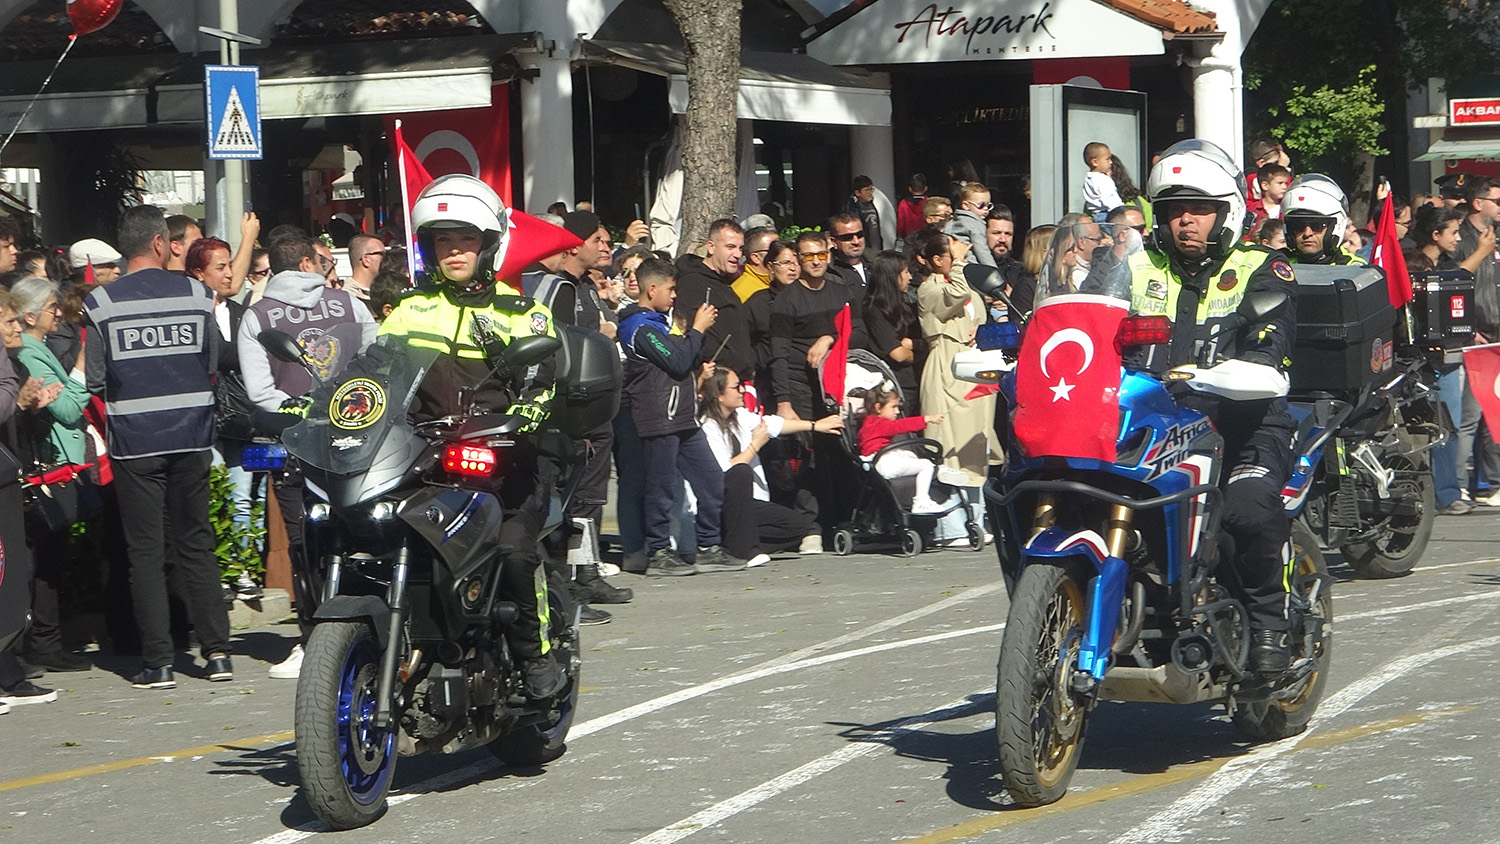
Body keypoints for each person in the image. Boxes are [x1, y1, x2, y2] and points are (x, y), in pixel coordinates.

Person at [379, 174, 569, 697]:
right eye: (443, 240)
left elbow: (543, 379)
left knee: (512, 550)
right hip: (427, 460)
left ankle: (536, 653)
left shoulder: (521, 312)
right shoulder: (411, 310)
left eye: (465, 239)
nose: (454, 250)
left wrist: (528, 409)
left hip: (507, 466)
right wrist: (323, 404)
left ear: (488, 245)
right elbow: (370, 373)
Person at [1124, 139, 1301, 678]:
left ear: (1227, 211)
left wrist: (1255, 363)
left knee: (1246, 507)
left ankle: (1270, 622)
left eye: (1199, 209)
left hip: (1243, 421)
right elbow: (1088, 317)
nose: (1186, 222)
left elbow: (1272, 337)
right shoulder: (1134, 266)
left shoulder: (1262, 267)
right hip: (1159, 423)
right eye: (1176, 210)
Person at [83, 205, 232, 690]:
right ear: (158, 243)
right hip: (192, 435)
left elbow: (98, 378)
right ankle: (217, 653)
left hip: (134, 439)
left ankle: (159, 663)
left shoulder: (101, 303)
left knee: (145, 551)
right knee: (197, 542)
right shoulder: (197, 293)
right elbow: (211, 361)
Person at [617, 257, 746, 576]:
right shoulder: (638, 326)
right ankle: (659, 551)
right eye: (671, 290)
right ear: (651, 289)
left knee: (712, 479)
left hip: (683, 416)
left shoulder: (662, 322)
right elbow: (675, 361)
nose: (675, 296)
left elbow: (684, 359)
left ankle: (709, 545)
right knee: (660, 488)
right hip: (658, 417)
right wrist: (698, 330)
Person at [10, 277, 94, 673]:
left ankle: (45, 642)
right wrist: (79, 367)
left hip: (57, 464)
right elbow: (67, 409)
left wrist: (67, 392)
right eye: (51, 308)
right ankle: (40, 645)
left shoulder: (37, 346)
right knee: (42, 562)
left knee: (50, 560)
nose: (59, 313)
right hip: (48, 467)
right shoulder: (28, 350)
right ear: (29, 316)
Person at [698, 368, 832, 566]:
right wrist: (755, 445)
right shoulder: (708, 427)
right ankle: (742, 548)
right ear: (719, 396)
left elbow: (772, 425)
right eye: (736, 387)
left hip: (755, 502)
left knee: (798, 526)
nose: (742, 390)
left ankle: (736, 543)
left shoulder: (740, 416)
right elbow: (727, 471)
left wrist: (814, 425)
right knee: (741, 472)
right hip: (728, 503)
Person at [674, 219, 753, 381]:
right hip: (715, 381)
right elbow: (690, 332)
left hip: (736, 380)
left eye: (740, 248)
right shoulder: (692, 283)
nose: (738, 254)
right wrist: (735, 364)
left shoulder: (723, 281)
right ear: (711, 247)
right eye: (730, 247)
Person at [859, 385, 945, 514]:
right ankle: (921, 501)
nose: (897, 411)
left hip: (883, 459)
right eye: (893, 407)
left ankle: (937, 470)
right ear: (878, 408)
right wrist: (927, 418)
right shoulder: (877, 424)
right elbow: (901, 426)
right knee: (925, 465)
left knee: (910, 455)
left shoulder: (870, 423)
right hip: (884, 462)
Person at [863, 251, 921, 413]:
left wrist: (914, 344)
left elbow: (910, 343)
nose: (910, 277)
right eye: (905, 272)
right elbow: (898, 353)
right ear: (892, 276)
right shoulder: (874, 310)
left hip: (915, 381)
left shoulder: (905, 306)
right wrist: (923, 354)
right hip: (897, 385)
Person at [1283, 174, 1362, 265]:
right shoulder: (1277, 264)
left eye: (1317, 225)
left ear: (1335, 228)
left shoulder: (1354, 268)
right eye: (1298, 225)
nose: (1307, 233)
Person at [945, 183, 996, 268]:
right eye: (981, 205)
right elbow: (982, 251)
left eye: (988, 205)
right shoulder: (975, 224)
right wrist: (994, 272)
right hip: (970, 265)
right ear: (965, 205)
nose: (986, 209)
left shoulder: (955, 220)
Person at [733, 226, 777, 303]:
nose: (781, 254)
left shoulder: (782, 282)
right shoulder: (741, 293)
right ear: (755, 258)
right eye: (774, 250)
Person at [1082, 142, 1123, 221]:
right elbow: (1109, 198)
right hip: (1108, 214)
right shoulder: (1103, 180)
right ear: (1095, 162)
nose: (1111, 162)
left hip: (1096, 215)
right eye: (1107, 159)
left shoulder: (1089, 178)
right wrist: (1121, 212)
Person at [828, 211, 871, 287]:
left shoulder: (879, 262)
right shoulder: (827, 271)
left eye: (859, 235)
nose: (856, 241)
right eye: (848, 237)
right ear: (834, 242)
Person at [842, 175, 884, 252]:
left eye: (871, 189)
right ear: (857, 193)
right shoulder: (852, 208)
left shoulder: (871, 205)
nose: (870, 193)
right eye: (866, 190)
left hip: (877, 248)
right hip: (865, 250)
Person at [345, 233, 386, 300]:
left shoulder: (385, 292)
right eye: (382, 254)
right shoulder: (346, 297)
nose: (386, 258)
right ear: (366, 260)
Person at [897, 173, 930, 240]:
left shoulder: (903, 204)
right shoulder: (929, 202)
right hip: (926, 238)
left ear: (910, 189)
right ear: (925, 188)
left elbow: (900, 226)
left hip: (909, 239)